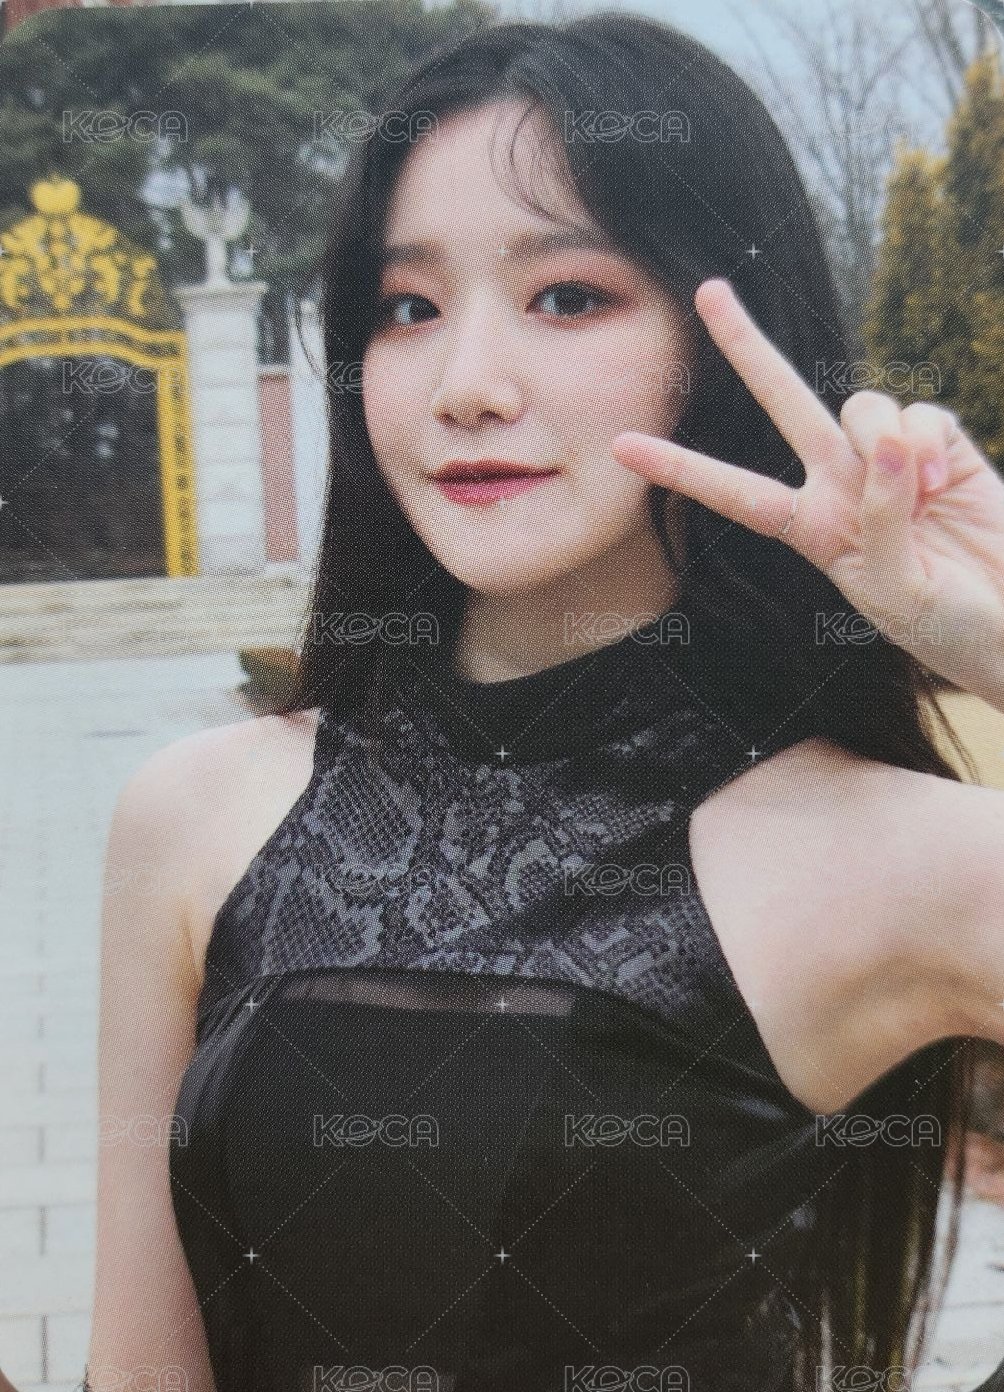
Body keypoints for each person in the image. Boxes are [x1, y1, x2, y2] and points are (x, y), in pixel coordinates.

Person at [82, 12, 1004, 1392]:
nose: (465, 385)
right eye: (407, 307)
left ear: (721, 342)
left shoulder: (888, 852)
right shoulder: (197, 815)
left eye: (569, 295)